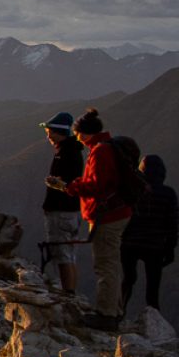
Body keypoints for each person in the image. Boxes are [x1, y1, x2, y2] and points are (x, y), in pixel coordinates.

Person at [47, 108, 135, 326]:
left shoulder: (100, 152)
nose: (77, 138)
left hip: (107, 215)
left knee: (105, 263)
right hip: (117, 212)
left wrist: (70, 186)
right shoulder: (109, 147)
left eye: (78, 134)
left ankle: (106, 315)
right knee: (111, 262)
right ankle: (113, 310)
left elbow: (95, 185)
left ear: (84, 133)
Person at [122, 154, 179, 312]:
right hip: (155, 245)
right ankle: (153, 316)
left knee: (128, 279)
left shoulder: (133, 190)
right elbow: (172, 224)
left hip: (128, 243)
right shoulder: (168, 194)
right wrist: (170, 249)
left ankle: (118, 311)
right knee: (153, 284)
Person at [39, 113, 87, 294]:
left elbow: (67, 183)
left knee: (61, 253)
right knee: (69, 253)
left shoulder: (66, 153)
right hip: (72, 210)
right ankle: (70, 290)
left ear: (59, 132)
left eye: (50, 132)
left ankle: (68, 293)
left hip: (61, 210)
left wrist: (56, 183)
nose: (48, 136)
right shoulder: (72, 151)